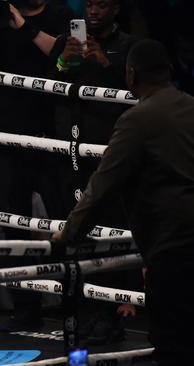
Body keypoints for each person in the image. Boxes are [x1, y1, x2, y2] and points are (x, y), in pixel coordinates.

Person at [53, 39, 194, 365]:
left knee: (173, 343)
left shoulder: (138, 119)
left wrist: (68, 234)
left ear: (130, 75)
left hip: (173, 245)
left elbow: (101, 186)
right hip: (175, 241)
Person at [0, 0, 74, 332]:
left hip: (51, 131)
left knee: (64, 217)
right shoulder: (0, 17)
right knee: (12, 221)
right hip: (6, 131)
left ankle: (73, 300)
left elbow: (65, 58)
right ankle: (25, 307)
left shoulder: (62, 14)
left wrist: (23, 26)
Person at [48, 0, 140, 345]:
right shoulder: (66, 41)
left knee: (117, 224)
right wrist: (64, 60)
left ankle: (123, 301)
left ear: (116, 9)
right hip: (72, 146)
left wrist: (103, 64)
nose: (94, 12)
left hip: (114, 147)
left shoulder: (129, 47)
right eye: (90, 4)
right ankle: (84, 307)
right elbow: (49, 82)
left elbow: (136, 93)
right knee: (79, 224)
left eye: (102, 5)